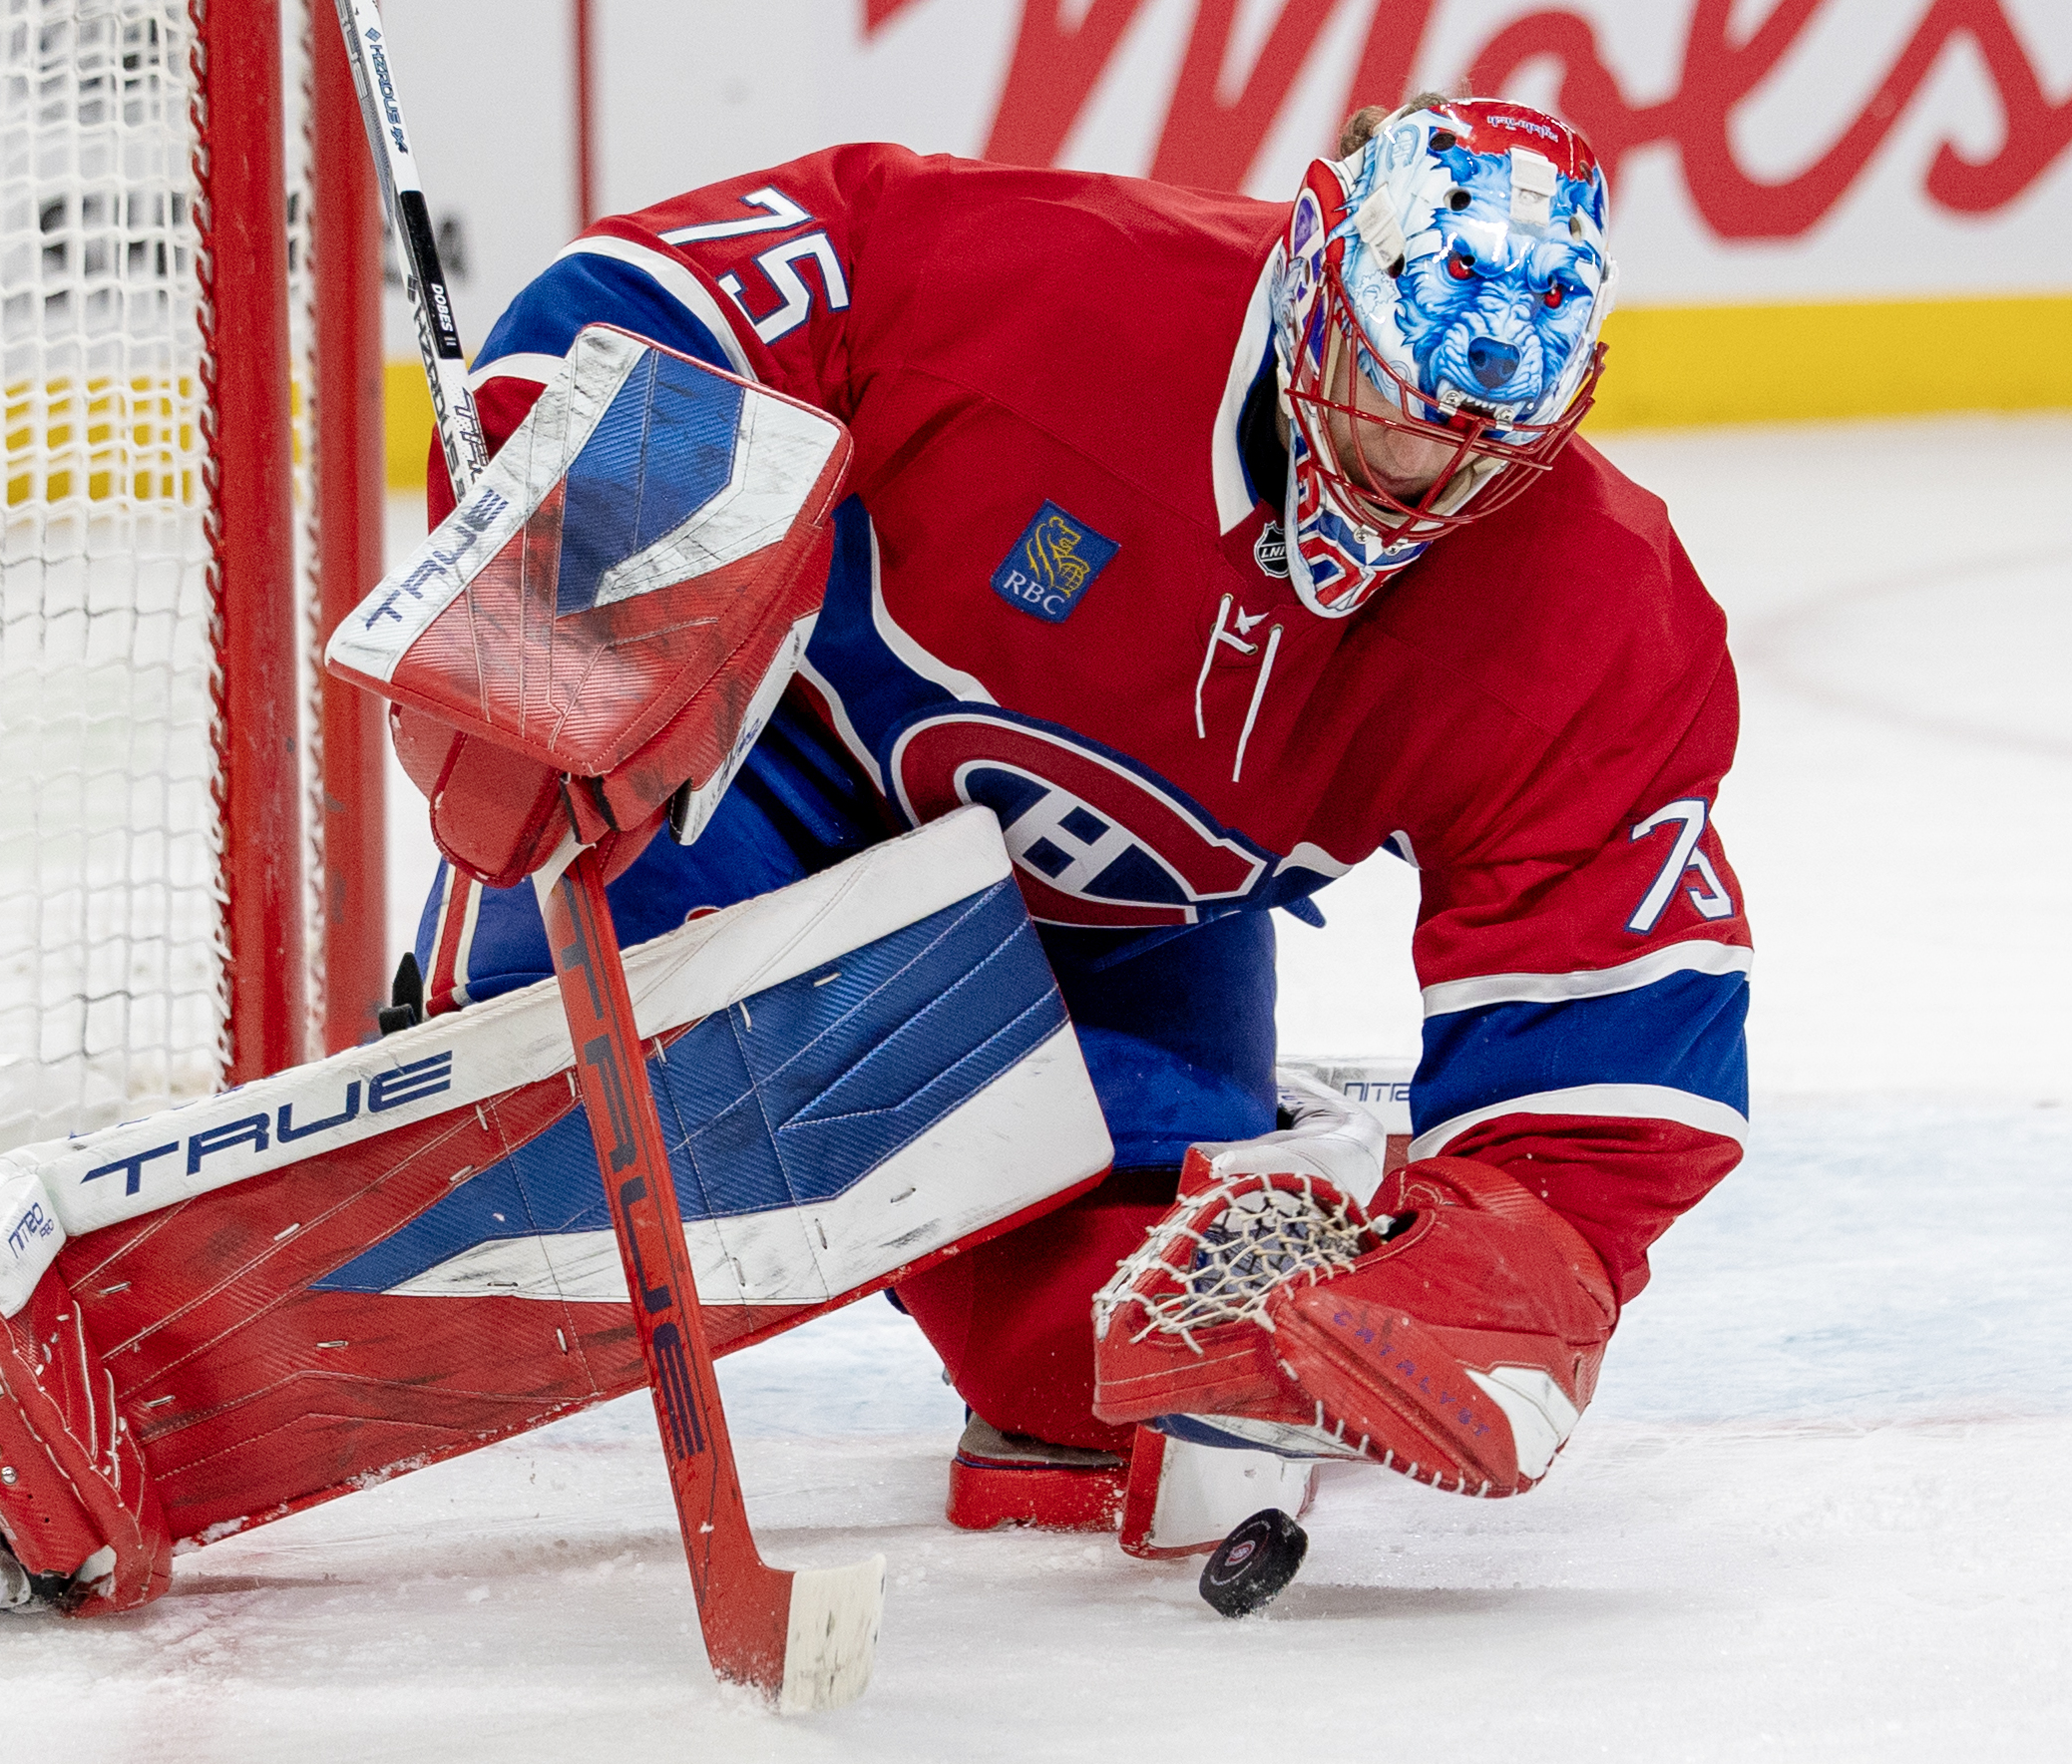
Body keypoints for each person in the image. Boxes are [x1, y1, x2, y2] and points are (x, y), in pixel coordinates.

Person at [407, 93, 1753, 1512]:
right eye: (1383, 403)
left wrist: (1526, 1257)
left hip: (1132, 937)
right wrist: (568, 578)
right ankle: (489, 1008)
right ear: (1315, 270)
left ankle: (1304, 1182)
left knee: (1108, 1360)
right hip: (773, 791)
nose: (1413, 482)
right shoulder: (1065, 285)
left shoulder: (1596, 610)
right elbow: (666, 299)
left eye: (1479, 449)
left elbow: (1607, 971)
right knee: (608, 1077)